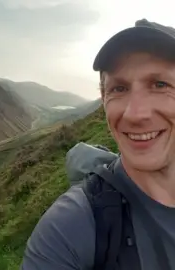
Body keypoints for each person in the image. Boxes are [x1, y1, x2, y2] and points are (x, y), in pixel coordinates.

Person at [21, 19, 175, 270]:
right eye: (119, 88)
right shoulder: (68, 228)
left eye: (160, 85)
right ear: (104, 100)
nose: (135, 114)